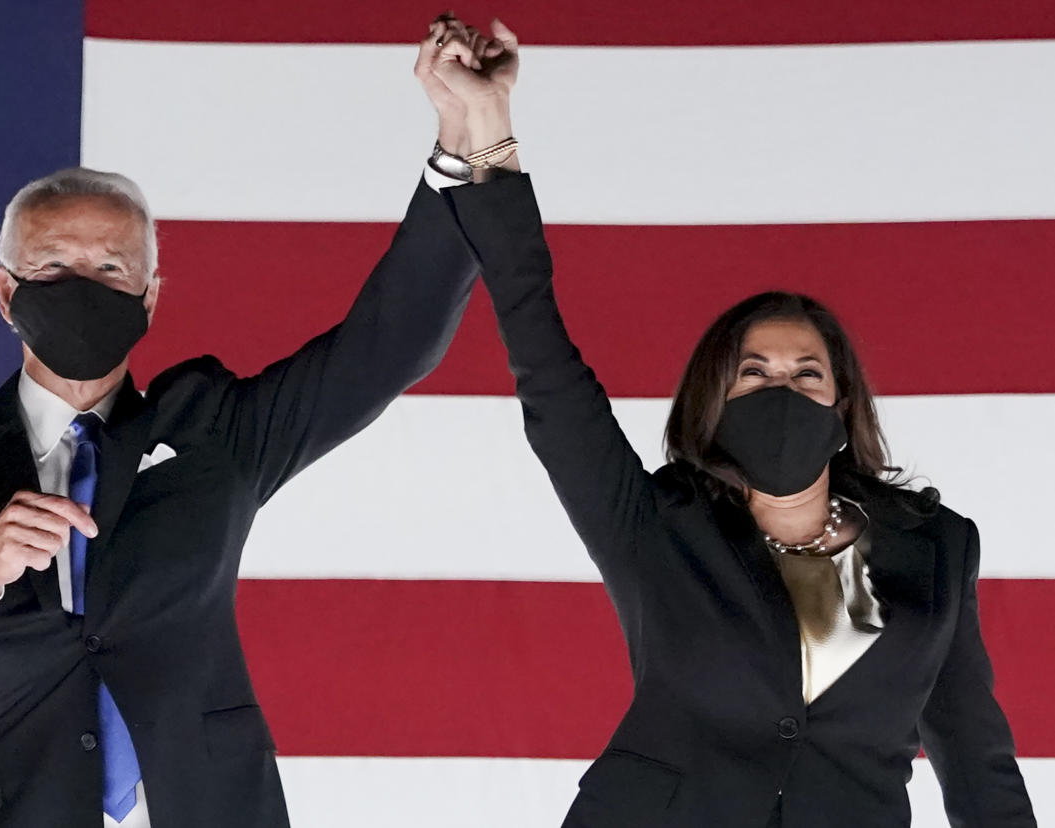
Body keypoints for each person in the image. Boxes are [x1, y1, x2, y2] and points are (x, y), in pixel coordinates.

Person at [0, 19, 493, 827]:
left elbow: (391, 344)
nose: (82, 285)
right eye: (53, 268)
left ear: (150, 295)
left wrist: (465, 143)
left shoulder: (213, 430)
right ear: (5, 294)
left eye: (109, 269)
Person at [426, 16, 1037, 827]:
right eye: (751, 374)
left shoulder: (937, 545)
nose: (777, 389)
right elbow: (547, 369)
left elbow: (972, 751)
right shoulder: (651, 524)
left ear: (843, 404)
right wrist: (489, 136)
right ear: (712, 401)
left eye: (804, 374)